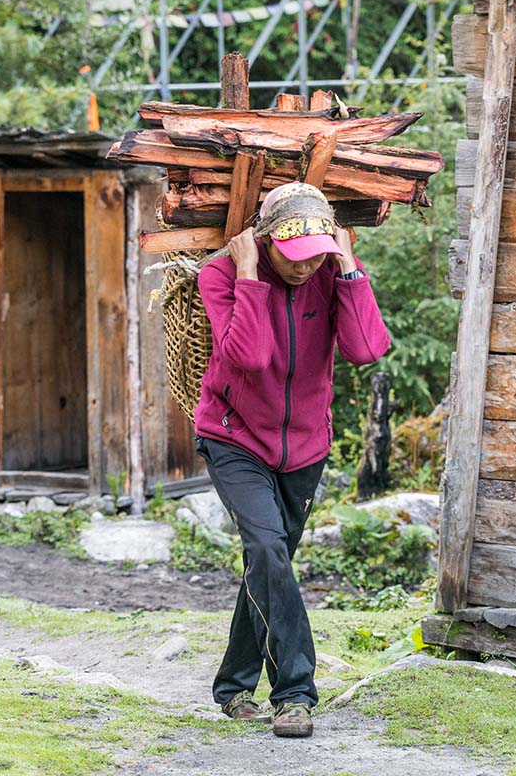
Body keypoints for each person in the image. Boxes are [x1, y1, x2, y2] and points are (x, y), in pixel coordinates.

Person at [192, 181, 391, 737]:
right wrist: (252, 274)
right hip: (235, 439)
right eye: (292, 256)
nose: (304, 268)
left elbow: (366, 349)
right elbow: (248, 358)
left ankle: (233, 687)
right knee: (267, 548)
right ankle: (296, 695)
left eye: (316, 256)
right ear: (264, 241)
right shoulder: (223, 276)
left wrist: (348, 266)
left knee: (269, 563)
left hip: (305, 448)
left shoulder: (330, 274)